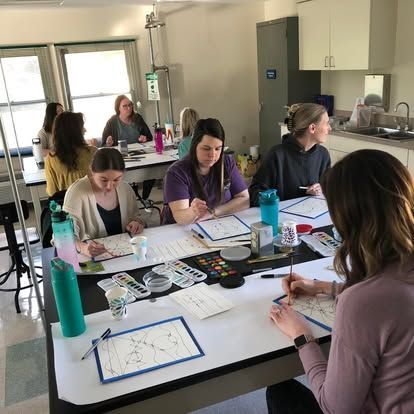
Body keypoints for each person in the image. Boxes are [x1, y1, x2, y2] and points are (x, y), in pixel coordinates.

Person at [267, 149, 414, 413]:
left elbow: (334, 408)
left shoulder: (363, 303)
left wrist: (302, 337)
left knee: (279, 391)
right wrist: (325, 287)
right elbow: (395, 295)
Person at [163, 118, 250, 225]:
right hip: (183, 230)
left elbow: (244, 200)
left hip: (218, 224)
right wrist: (193, 211)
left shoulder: (226, 162)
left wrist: (213, 212)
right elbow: (179, 217)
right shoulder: (177, 172)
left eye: (218, 149)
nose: (213, 155)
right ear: (194, 146)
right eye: (206, 149)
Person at [63, 148, 145, 258]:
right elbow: (63, 236)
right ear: (92, 171)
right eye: (104, 180)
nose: (110, 186)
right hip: (90, 258)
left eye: (116, 180)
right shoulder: (77, 192)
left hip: (124, 255)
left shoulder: (125, 188)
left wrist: (136, 223)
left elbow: (136, 217)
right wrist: (83, 248)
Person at [249, 103, 331, 204]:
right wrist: (275, 199)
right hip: (282, 217)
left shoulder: (323, 155)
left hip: (312, 215)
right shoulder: (277, 155)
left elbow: (329, 189)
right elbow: (255, 193)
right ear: (312, 128)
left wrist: (321, 189)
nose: (329, 128)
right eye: (327, 123)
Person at [102, 95, 154, 200]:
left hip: (140, 154)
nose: (129, 108)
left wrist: (145, 138)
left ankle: (145, 197)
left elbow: (149, 137)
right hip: (121, 157)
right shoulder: (112, 122)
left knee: (153, 170)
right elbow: (104, 144)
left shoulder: (137, 118)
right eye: (125, 106)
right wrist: (108, 143)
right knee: (123, 177)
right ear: (118, 108)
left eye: (130, 105)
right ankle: (130, 197)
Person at [45, 112, 96, 196]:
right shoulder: (93, 153)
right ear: (75, 131)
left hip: (66, 206)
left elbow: (52, 192)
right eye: (82, 127)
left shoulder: (50, 159)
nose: (85, 130)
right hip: (92, 206)